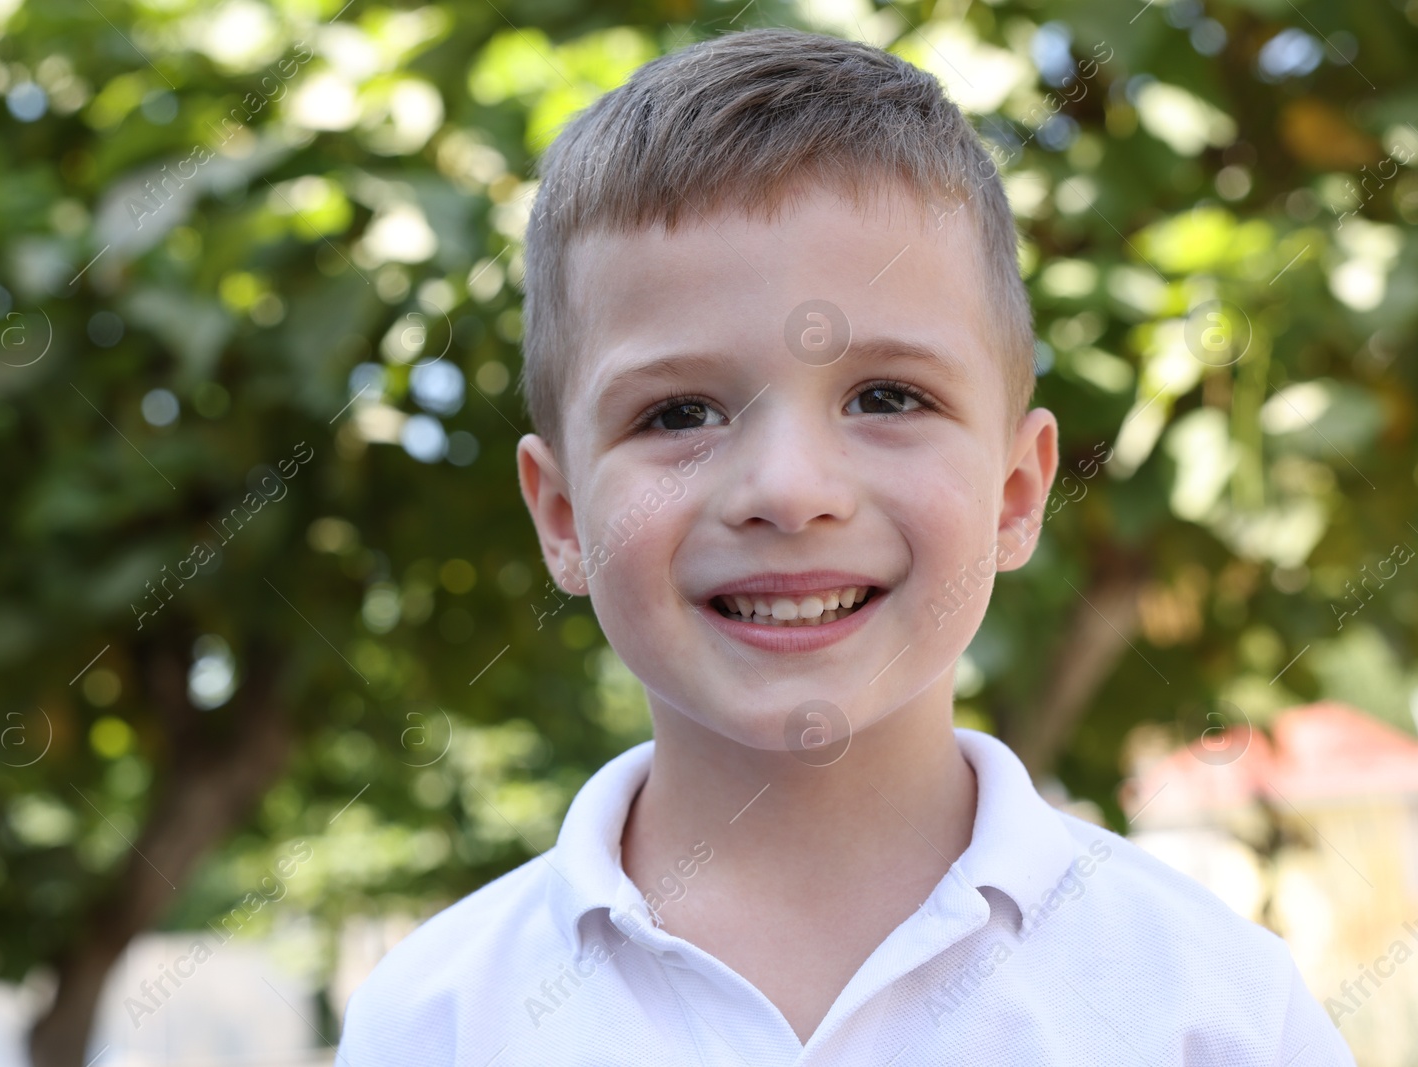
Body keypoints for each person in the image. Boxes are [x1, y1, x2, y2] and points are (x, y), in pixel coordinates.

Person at [337, 27, 1354, 1065]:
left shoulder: (1212, 1008)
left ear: (1014, 492)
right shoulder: (435, 1020)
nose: (787, 489)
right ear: (562, 518)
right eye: (679, 412)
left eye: (885, 397)